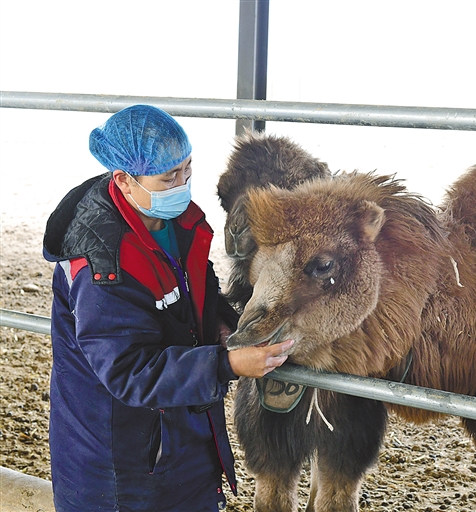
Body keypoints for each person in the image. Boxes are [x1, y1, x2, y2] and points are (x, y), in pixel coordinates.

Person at [42, 104, 294, 511]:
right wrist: (227, 364)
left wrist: (220, 323)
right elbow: (128, 370)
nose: (182, 184)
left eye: (187, 169)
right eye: (168, 177)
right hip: (118, 463)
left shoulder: (174, 222)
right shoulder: (101, 266)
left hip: (177, 437)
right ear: (124, 180)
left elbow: (195, 286)